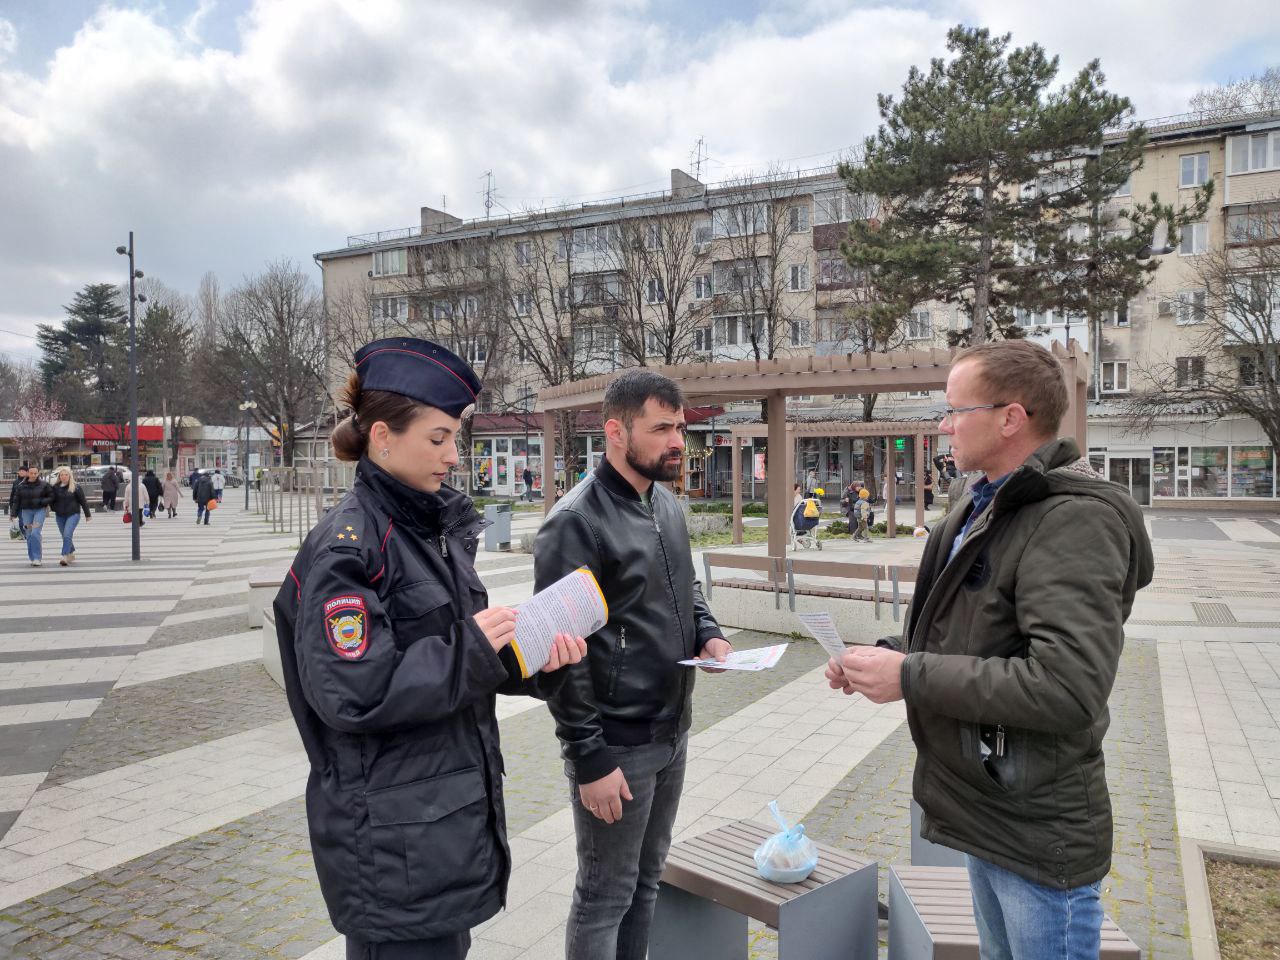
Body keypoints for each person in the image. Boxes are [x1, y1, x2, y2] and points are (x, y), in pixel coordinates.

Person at [827, 339, 1154, 960]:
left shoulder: (1072, 519)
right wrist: (884, 656)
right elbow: (963, 634)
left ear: (1011, 417)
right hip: (988, 810)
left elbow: (1066, 686)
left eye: (956, 410)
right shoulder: (985, 504)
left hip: (1036, 830)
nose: (943, 424)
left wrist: (912, 675)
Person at [273, 337, 586, 960]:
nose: (453, 455)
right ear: (384, 437)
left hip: (433, 827)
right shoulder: (349, 548)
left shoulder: (427, 530)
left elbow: (453, 653)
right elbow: (355, 692)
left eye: (454, 439)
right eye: (438, 438)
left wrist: (529, 658)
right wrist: (473, 647)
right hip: (393, 845)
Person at [533, 368, 731, 960]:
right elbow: (559, 657)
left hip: (672, 730)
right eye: (663, 428)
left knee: (646, 885)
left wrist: (711, 635)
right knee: (605, 896)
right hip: (616, 744)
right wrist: (589, 757)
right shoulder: (576, 522)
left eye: (680, 426)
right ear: (615, 431)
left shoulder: (664, 503)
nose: (679, 440)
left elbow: (685, 591)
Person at [10, 466, 54, 566]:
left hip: (39, 511)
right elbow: (16, 501)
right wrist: (13, 514)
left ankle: (37, 557)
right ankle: (32, 557)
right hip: (26, 512)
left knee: (35, 532)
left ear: (38, 474)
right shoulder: (21, 486)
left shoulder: (44, 485)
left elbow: (52, 496)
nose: (33, 475)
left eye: (35, 473)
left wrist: (42, 502)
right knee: (29, 534)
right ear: (28, 473)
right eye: (31, 473)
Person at [50, 467, 91, 565]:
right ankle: (71, 553)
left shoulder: (76, 487)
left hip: (73, 514)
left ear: (70, 476)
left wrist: (87, 514)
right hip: (60, 515)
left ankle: (65, 556)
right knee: (65, 536)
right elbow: (51, 500)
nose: (64, 477)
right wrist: (54, 508)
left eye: (66, 475)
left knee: (67, 534)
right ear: (59, 476)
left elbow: (83, 501)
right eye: (62, 475)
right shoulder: (55, 487)